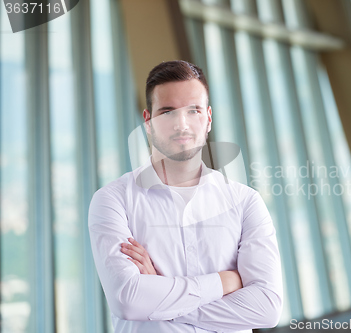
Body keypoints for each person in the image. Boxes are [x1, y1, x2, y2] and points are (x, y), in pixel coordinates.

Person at [88, 60, 283, 333]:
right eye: (167, 112)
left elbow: (266, 308)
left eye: (193, 110)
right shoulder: (113, 200)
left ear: (208, 118)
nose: (182, 124)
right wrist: (224, 282)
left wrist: (161, 302)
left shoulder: (245, 202)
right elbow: (129, 301)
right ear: (148, 121)